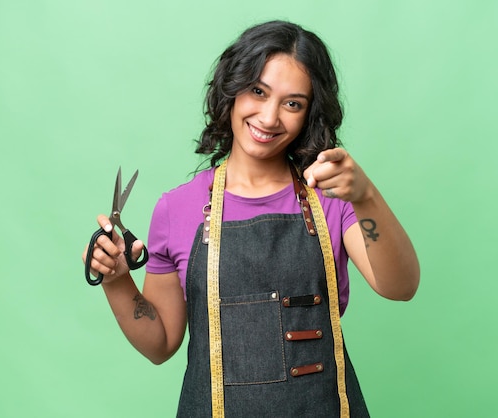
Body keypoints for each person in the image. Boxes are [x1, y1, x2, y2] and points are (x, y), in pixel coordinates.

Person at [83, 20, 420, 417]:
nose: (269, 117)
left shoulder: (331, 199)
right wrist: (117, 281)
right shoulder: (178, 208)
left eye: (292, 103)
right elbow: (160, 344)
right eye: (258, 92)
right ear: (233, 87)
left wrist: (365, 195)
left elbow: (400, 286)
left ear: (309, 114)